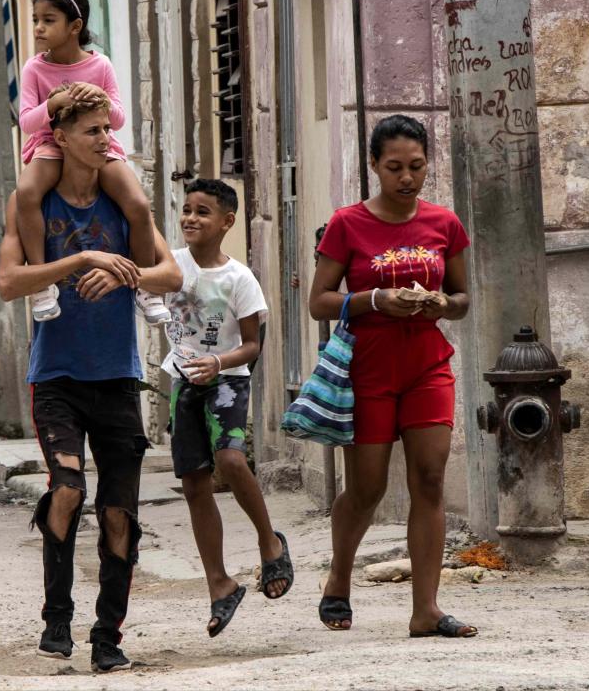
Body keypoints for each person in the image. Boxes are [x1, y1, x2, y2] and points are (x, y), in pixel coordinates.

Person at [0, 91, 182, 673]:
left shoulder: (121, 206)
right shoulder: (35, 204)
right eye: (91, 132)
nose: (105, 140)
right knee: (69, 487)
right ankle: (57, 614)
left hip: (118, 377)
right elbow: (8, 282)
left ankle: (108, 636)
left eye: (107, 129)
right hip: (57, 376)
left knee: (119, 511)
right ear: (60, 138)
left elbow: (170, 273)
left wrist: (125, 274)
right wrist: (81, 261)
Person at [308, 114, 476, 638]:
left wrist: (441, 304)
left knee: (429, 479)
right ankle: (338, 577)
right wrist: (377, 299)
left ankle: (425, 609)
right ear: (375, 167)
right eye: (395, 168)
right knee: (367, 488)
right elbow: (319, 302)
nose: (407, 178)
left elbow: (464, 298)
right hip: (368, 374)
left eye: (417, 167)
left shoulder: (445, 223)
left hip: (427, 365)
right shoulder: (347, 223)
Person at [160, 179, 293, 637]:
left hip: (227, 381)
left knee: (231, 459)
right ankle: (220, 583)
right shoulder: (170, 266)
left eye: (202, 211)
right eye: (187, 210)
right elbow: (142, 288)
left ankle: (269, 542)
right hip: (183, 383)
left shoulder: (240, 278)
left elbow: (253, 345)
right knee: (194, 482)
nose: (191, 218)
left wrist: (217, 361)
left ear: (227, 222)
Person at [15, 0, 169, 326]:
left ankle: (147, 289)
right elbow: (27, 121)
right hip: (49, 144)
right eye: (36, 20)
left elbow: (117, 119)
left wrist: (98, 93)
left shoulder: (100, 65)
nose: (39, 28)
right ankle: (41, 283)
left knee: (139, 205)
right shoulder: (33, 69)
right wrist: (52, 104)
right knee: (26, 193)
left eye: (48, 20)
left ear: (75, 27)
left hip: (100, 145)